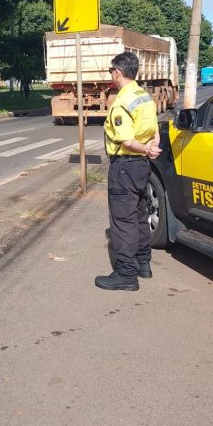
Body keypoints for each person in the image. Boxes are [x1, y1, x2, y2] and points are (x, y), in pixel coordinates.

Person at [95, 51, 161, 292]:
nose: (111, 75)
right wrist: (151, 149)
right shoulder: (145, 97)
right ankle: (144, 263)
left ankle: (125, 274)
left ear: (118, 73)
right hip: (142, 166)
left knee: (123, 221)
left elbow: (126, 141)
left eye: (111, 71)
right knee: (140, 213)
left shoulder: (122, 103)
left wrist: (143, 148)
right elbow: (155, 131)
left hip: (125, 166)